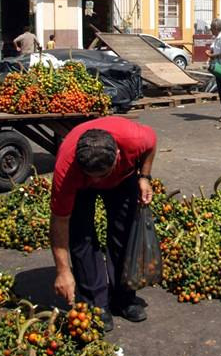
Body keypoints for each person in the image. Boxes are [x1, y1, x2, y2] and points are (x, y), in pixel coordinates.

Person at [50, 116, 157, 331]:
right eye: (93, 177)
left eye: (102, 176)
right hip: (80, 186)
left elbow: (152, 144)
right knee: (82, 238)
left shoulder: (135, 138)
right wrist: (62, 270)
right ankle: (97, 303)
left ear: (117, 155)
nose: (98, 182)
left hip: (123, 177)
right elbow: (60, 222)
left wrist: (145, 177)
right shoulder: (67, 170)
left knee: (124, 233)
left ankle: (124, 298)